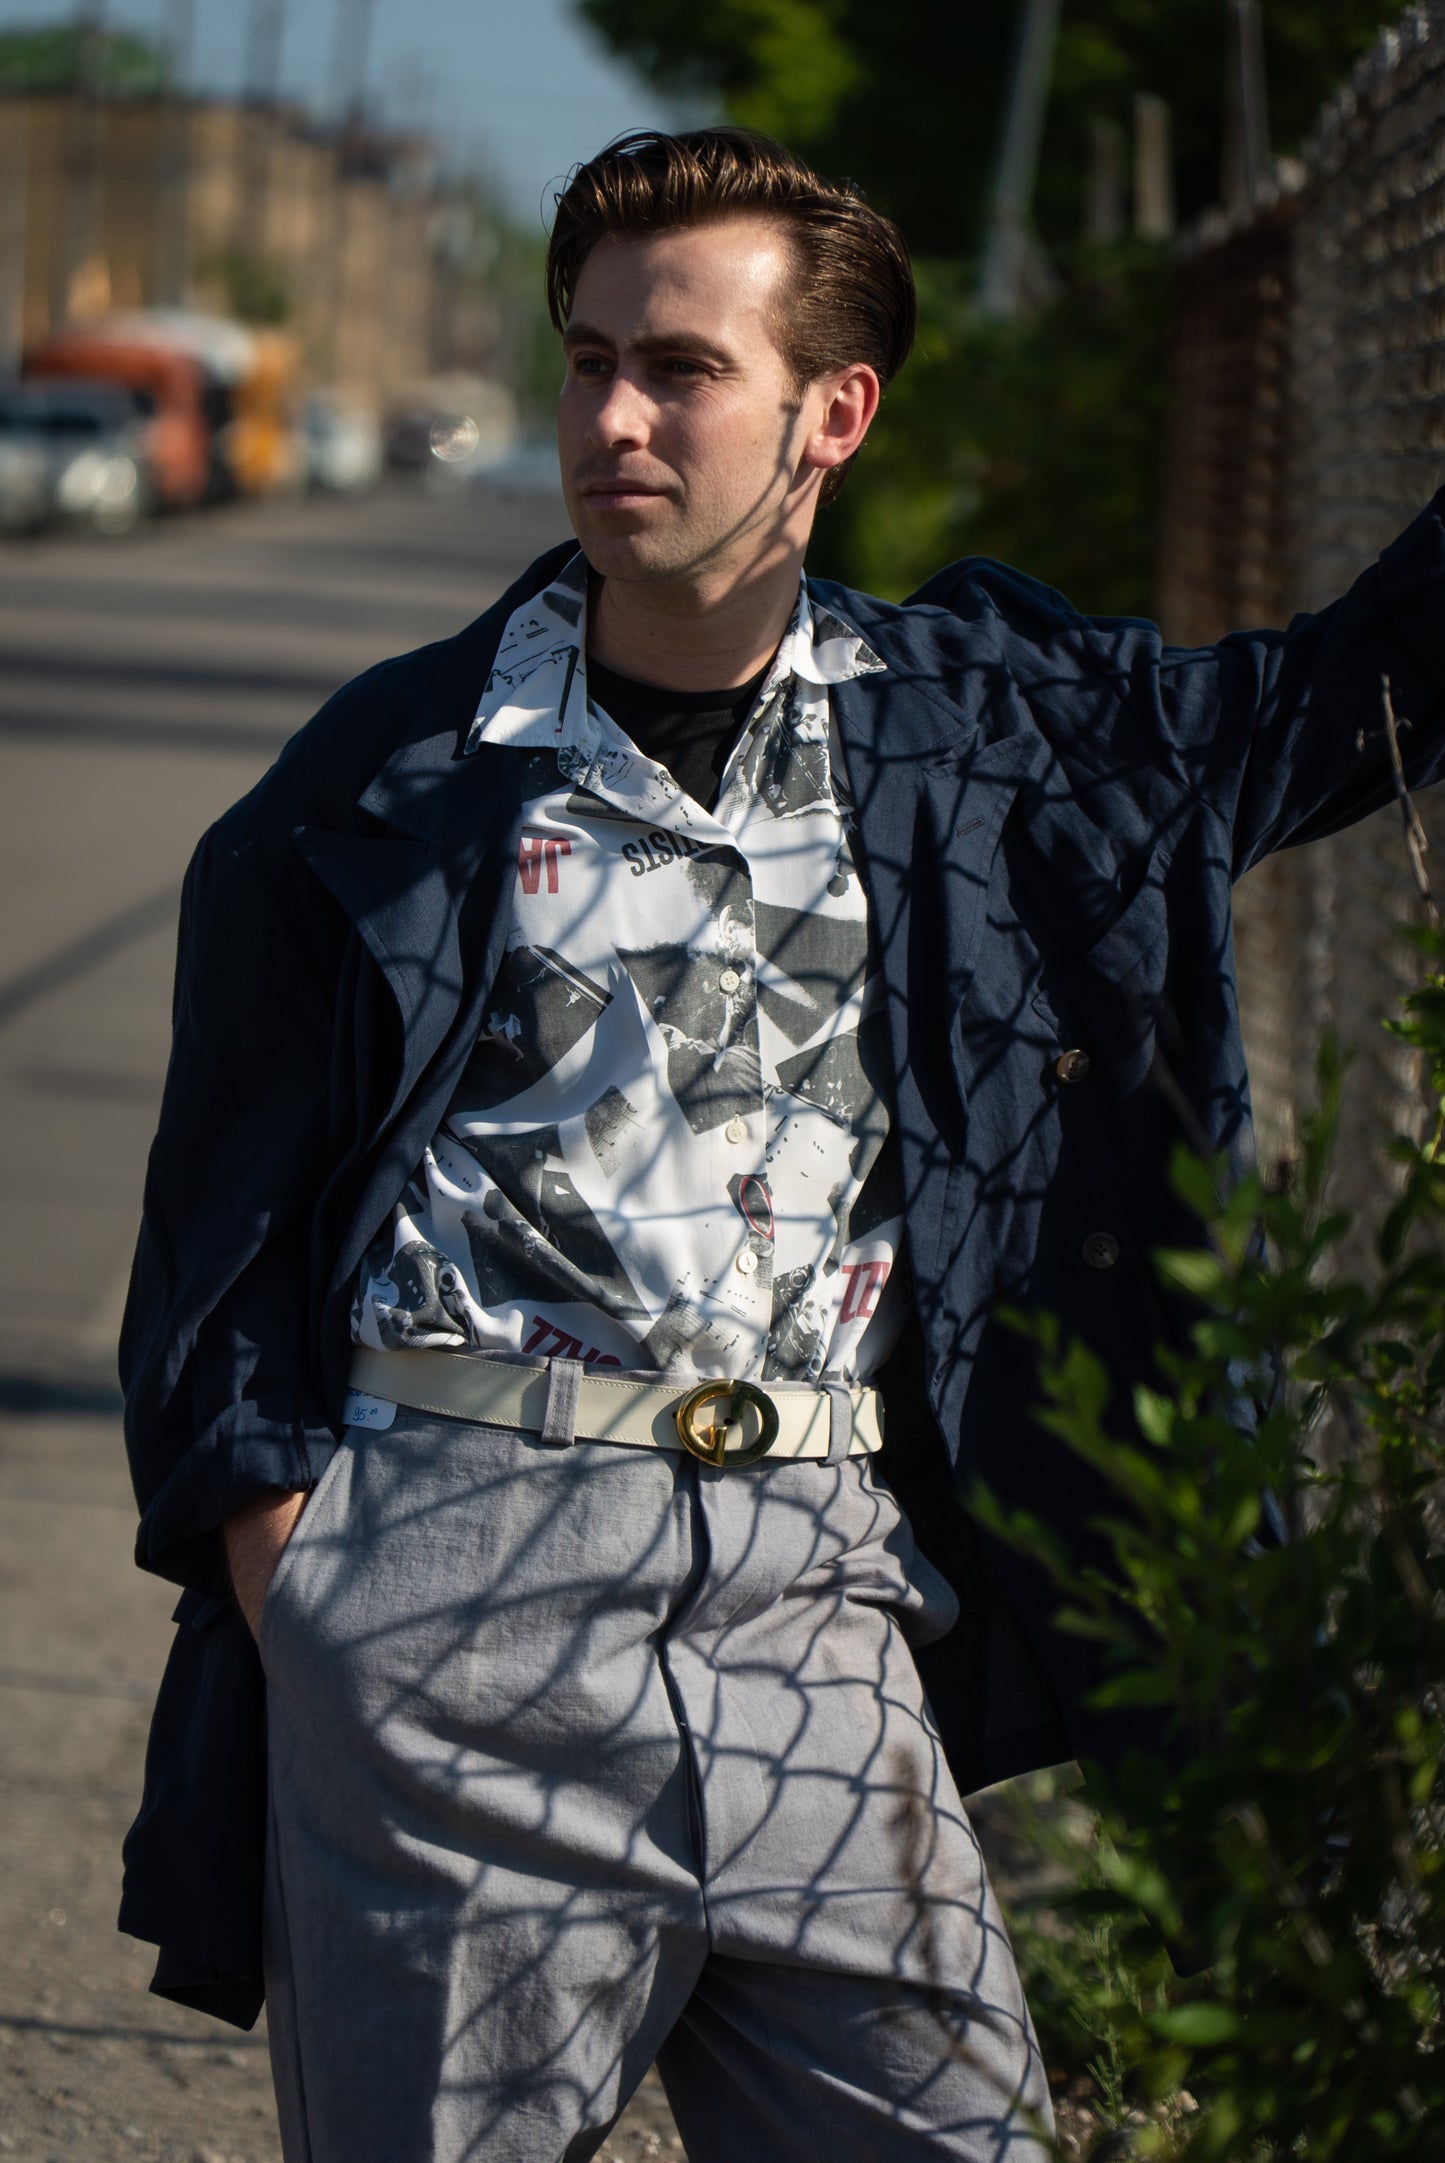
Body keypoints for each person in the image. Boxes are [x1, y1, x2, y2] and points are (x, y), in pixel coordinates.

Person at [118, 127, 1445, 2162]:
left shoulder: (984, 734)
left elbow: (1351, 694)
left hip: (821, 1590)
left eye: (679, 368)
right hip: (457, 1582)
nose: (614, 419)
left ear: (836, 411)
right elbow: (214, 1247)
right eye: (586, 362)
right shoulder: (387, 778)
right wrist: (306, 1588)